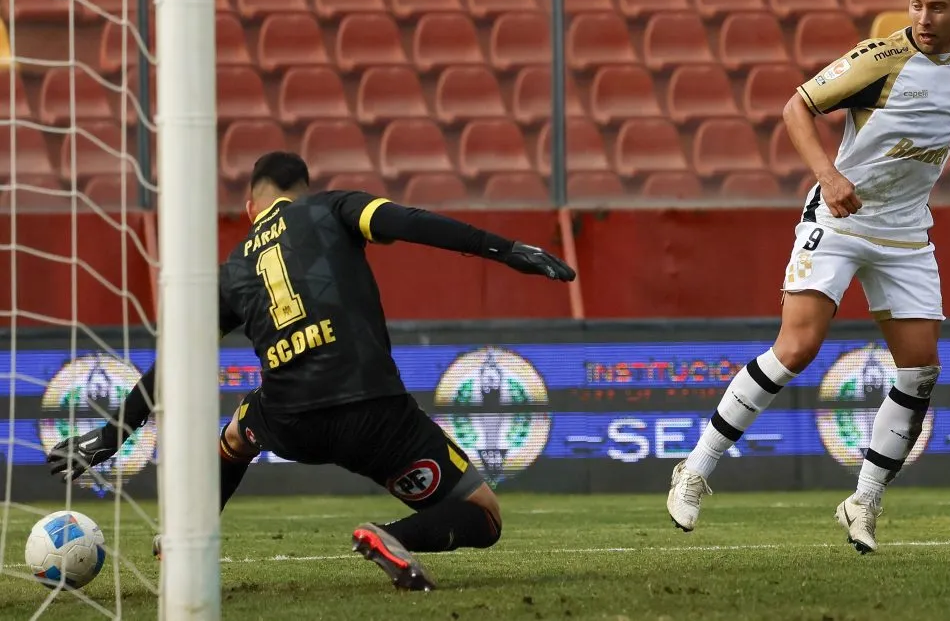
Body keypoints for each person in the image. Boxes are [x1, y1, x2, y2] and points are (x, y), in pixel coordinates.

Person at [46, 152, 576, 590]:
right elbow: (411, 223)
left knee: (234, 436)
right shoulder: (332, 208)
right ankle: (389, 535)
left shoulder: (234, 267)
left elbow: (180, 356)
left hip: (289, 422)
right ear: (301, 189)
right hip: (376, 415)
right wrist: (504, 249)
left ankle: (186, 537)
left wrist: (114, 434)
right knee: (483, 514)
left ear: (251, 205)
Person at [666, 0, 950, 554]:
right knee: (797, 348)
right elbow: (797, 107)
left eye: (938, 8)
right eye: (917, 4)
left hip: (906, 236)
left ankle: (862, 503)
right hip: (840, 220)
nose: (924, 17)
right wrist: (829, 175)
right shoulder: (880, 58)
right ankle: (695, 469)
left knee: (920, 371)